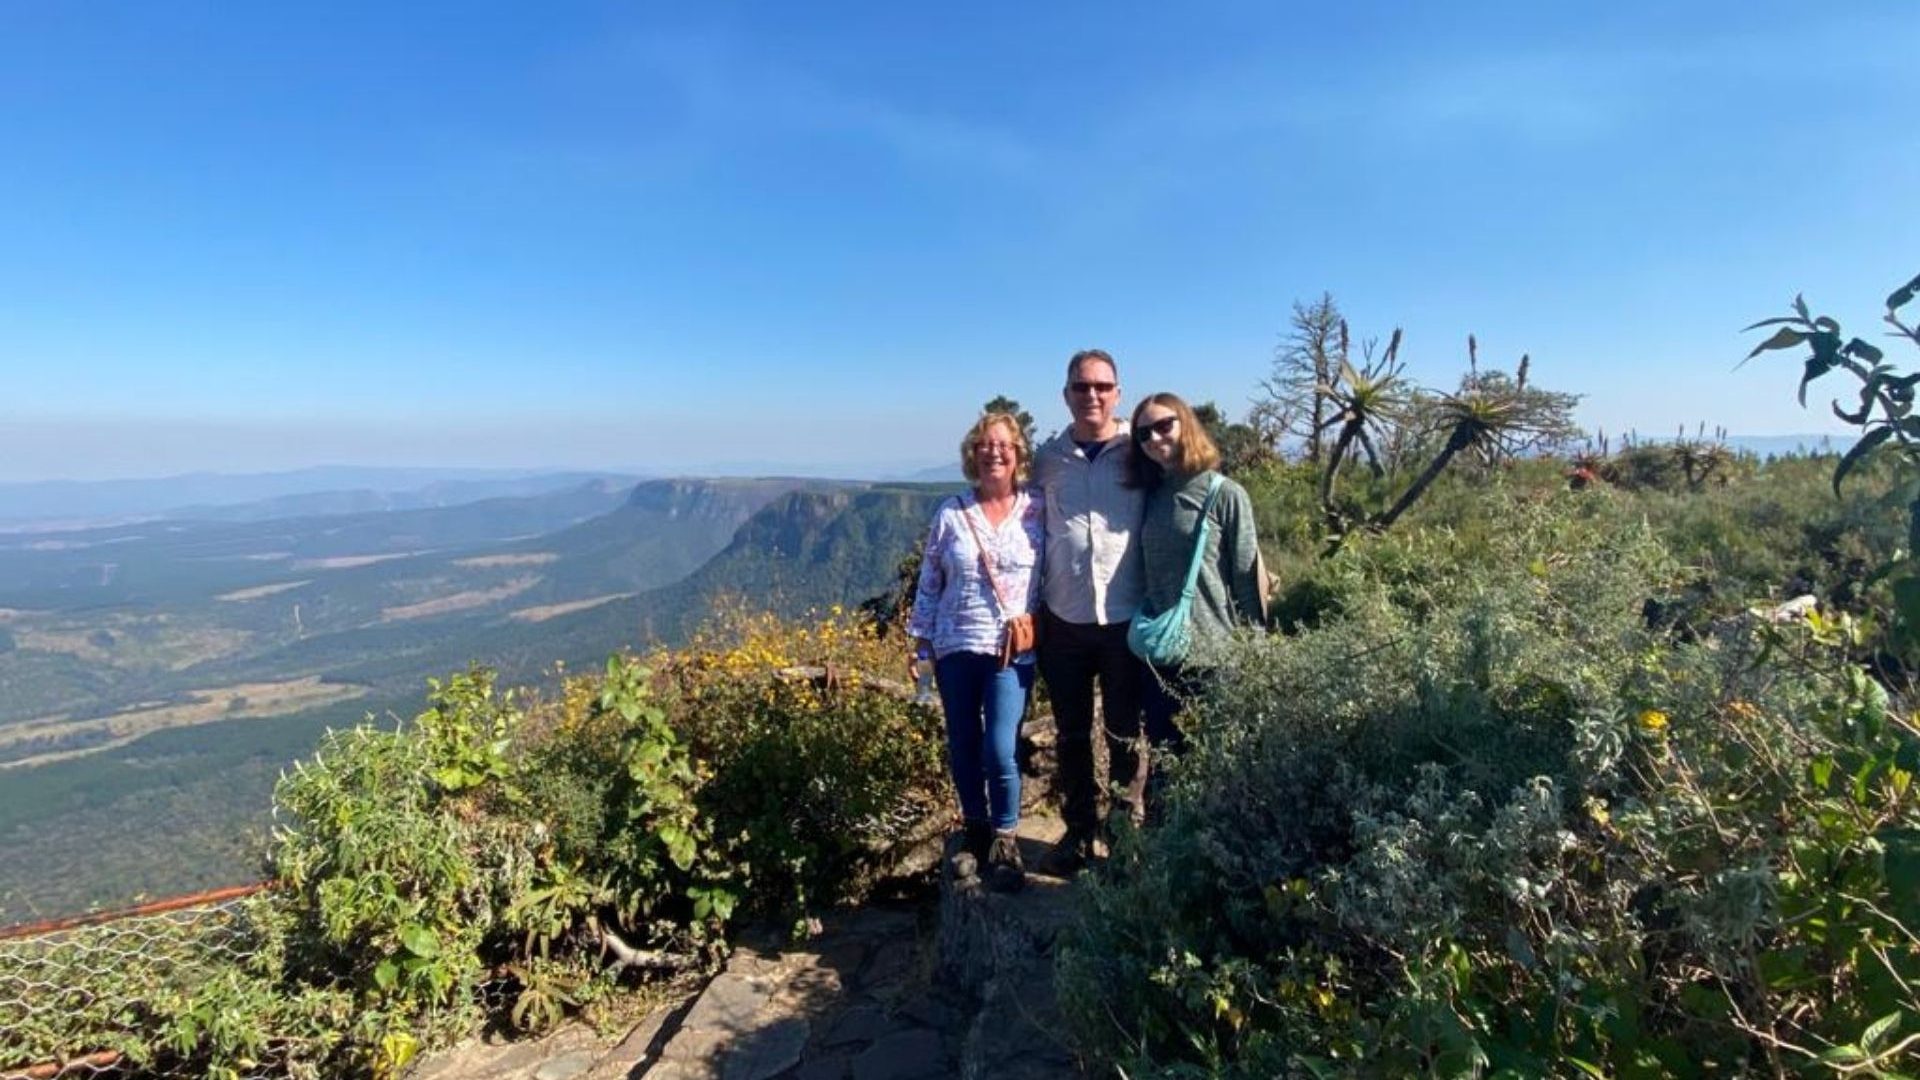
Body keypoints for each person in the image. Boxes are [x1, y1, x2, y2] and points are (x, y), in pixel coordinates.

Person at [908, 411, 1045, 893]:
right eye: (985, 445)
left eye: (1004, 445)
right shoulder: (951, 512)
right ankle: (976, 829)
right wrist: (920, 642)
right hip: (953, 644)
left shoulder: (1038, 509)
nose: (994, 452)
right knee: (963, 741)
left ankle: (1006, 839)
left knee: (1000, 746)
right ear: (973, 453)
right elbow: (930, 579)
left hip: (1010, 649)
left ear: (1018, 454)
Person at [1031, 349, 1147, 873]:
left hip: (1124, 616)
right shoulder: (1047, 460)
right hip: (1065, 619)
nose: (1092, 395)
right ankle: (1079, 832)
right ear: (1067, 395)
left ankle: (1124, 834)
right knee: (1072, 733)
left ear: (1118, 392)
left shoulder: (1139, 452)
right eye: (1082, 387)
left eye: (1102, 386)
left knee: (1125, 732)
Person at [1126, 392, 1266, 765]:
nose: (1155, 438)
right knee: (1165, 763)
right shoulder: (1151, 495)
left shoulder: (1225, 494)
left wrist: (1257, 657)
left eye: (1163, 425)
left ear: (1185, 423)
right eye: (1143, 434)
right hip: (1160, 655)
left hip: (1214, 659)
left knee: (1216, 767)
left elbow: (1246, 578)